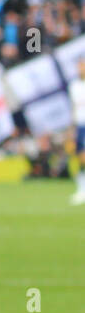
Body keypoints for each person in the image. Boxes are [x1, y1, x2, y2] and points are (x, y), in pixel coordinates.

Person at [69, 59, 85, 207]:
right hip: (80, 125)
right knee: (80, 157)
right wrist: (72, 129)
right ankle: (81, 189)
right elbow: (74, 108)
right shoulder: (74, 86)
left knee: (83, 157)